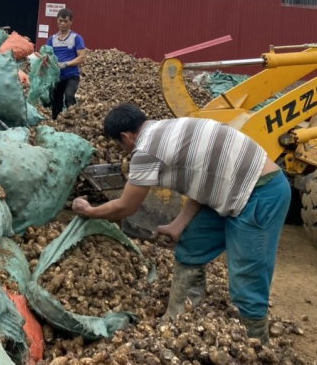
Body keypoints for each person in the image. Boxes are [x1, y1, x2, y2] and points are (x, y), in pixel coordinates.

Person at [71, 103, 291, 344]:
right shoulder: (166, 128)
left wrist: (90, 211)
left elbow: (126, 207)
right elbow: (201, 180)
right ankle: (179, 320)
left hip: (260, 192)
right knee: (191, 245)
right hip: (231, 188)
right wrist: (178, 224)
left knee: (247, 277)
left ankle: (256, 345)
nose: (124, 152)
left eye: (119, 145)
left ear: (126, 137)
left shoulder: (146, 151)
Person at [46, 8, 86, 120]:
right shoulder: (52, 39)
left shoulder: (76, 38)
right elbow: (47, 55)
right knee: (56, 100)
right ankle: (56, 121)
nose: (63, 24)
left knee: (69, 96)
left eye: (66, 21)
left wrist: (66, 64)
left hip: (71, 76)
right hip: (57, 77)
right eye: (60, 21)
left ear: (71, 22)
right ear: (57, 21)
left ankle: (72, 119)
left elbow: (82, 57)